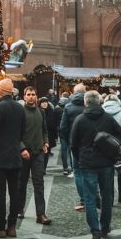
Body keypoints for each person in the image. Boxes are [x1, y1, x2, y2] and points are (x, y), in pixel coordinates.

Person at [70, 90, 121, 239]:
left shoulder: (80, 120)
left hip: (87, 163)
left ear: (86, 103)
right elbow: (120, 138)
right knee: (107, 197)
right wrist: (112, 153)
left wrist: (80, 159)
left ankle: (95, 232)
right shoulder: (108, 118)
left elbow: (73, 144)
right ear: (99, 102)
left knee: (89, 198)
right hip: (106, 163)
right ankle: (105, 227)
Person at [0, 77, 26, 238]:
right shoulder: (19, 107)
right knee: (14, 193)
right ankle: (12, 226)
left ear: (0, 91)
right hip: (14, 155)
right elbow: (23, 130)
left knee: (1, 194)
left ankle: (1, 228)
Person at [18, 87, 51, 224]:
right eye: (28, 95)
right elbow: (16, 133)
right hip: (24, 153)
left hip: (38, 153)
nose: (31, 97)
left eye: (33, 94)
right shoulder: (20, 112)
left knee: (39, 183)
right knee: (21, 183)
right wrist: (22, 148)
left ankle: (41, 214)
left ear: (36, 96)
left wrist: (46, 142)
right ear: (24, 97)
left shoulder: (41, 111)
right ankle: (19, 209)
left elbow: (44, 129)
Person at [59, 82, 86, 210]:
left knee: (78, 172)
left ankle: (83, 199)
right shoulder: (91, 105)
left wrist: (68, 140)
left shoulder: (68, 107)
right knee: (91, 171)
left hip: (74, 145)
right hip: (91, 145)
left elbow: (63, 128)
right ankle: (93, 195)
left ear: (74, 93)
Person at [102, 91, 121, 203]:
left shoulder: (102, 111)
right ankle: (120, 194)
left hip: (105, 144)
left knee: (108, 169)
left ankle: (110, 196)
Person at [39, 96, 58, 172]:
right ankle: (40, 168)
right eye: (42, 102)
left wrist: (56, 135)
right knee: (41, 153)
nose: (44, 104)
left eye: (45, 102)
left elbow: (54, 124)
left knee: (46, 153)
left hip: (49, 135)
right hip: (40, 135)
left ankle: (44, 168)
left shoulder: (51, 111)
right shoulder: (38, 111)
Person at [54, 95, 71, 173]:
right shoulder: (69, 109)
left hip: (62, 132)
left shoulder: (56, 109)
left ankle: (65, 168)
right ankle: (72, 167)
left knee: (64, 150)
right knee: (71, 150)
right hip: (70, 132)